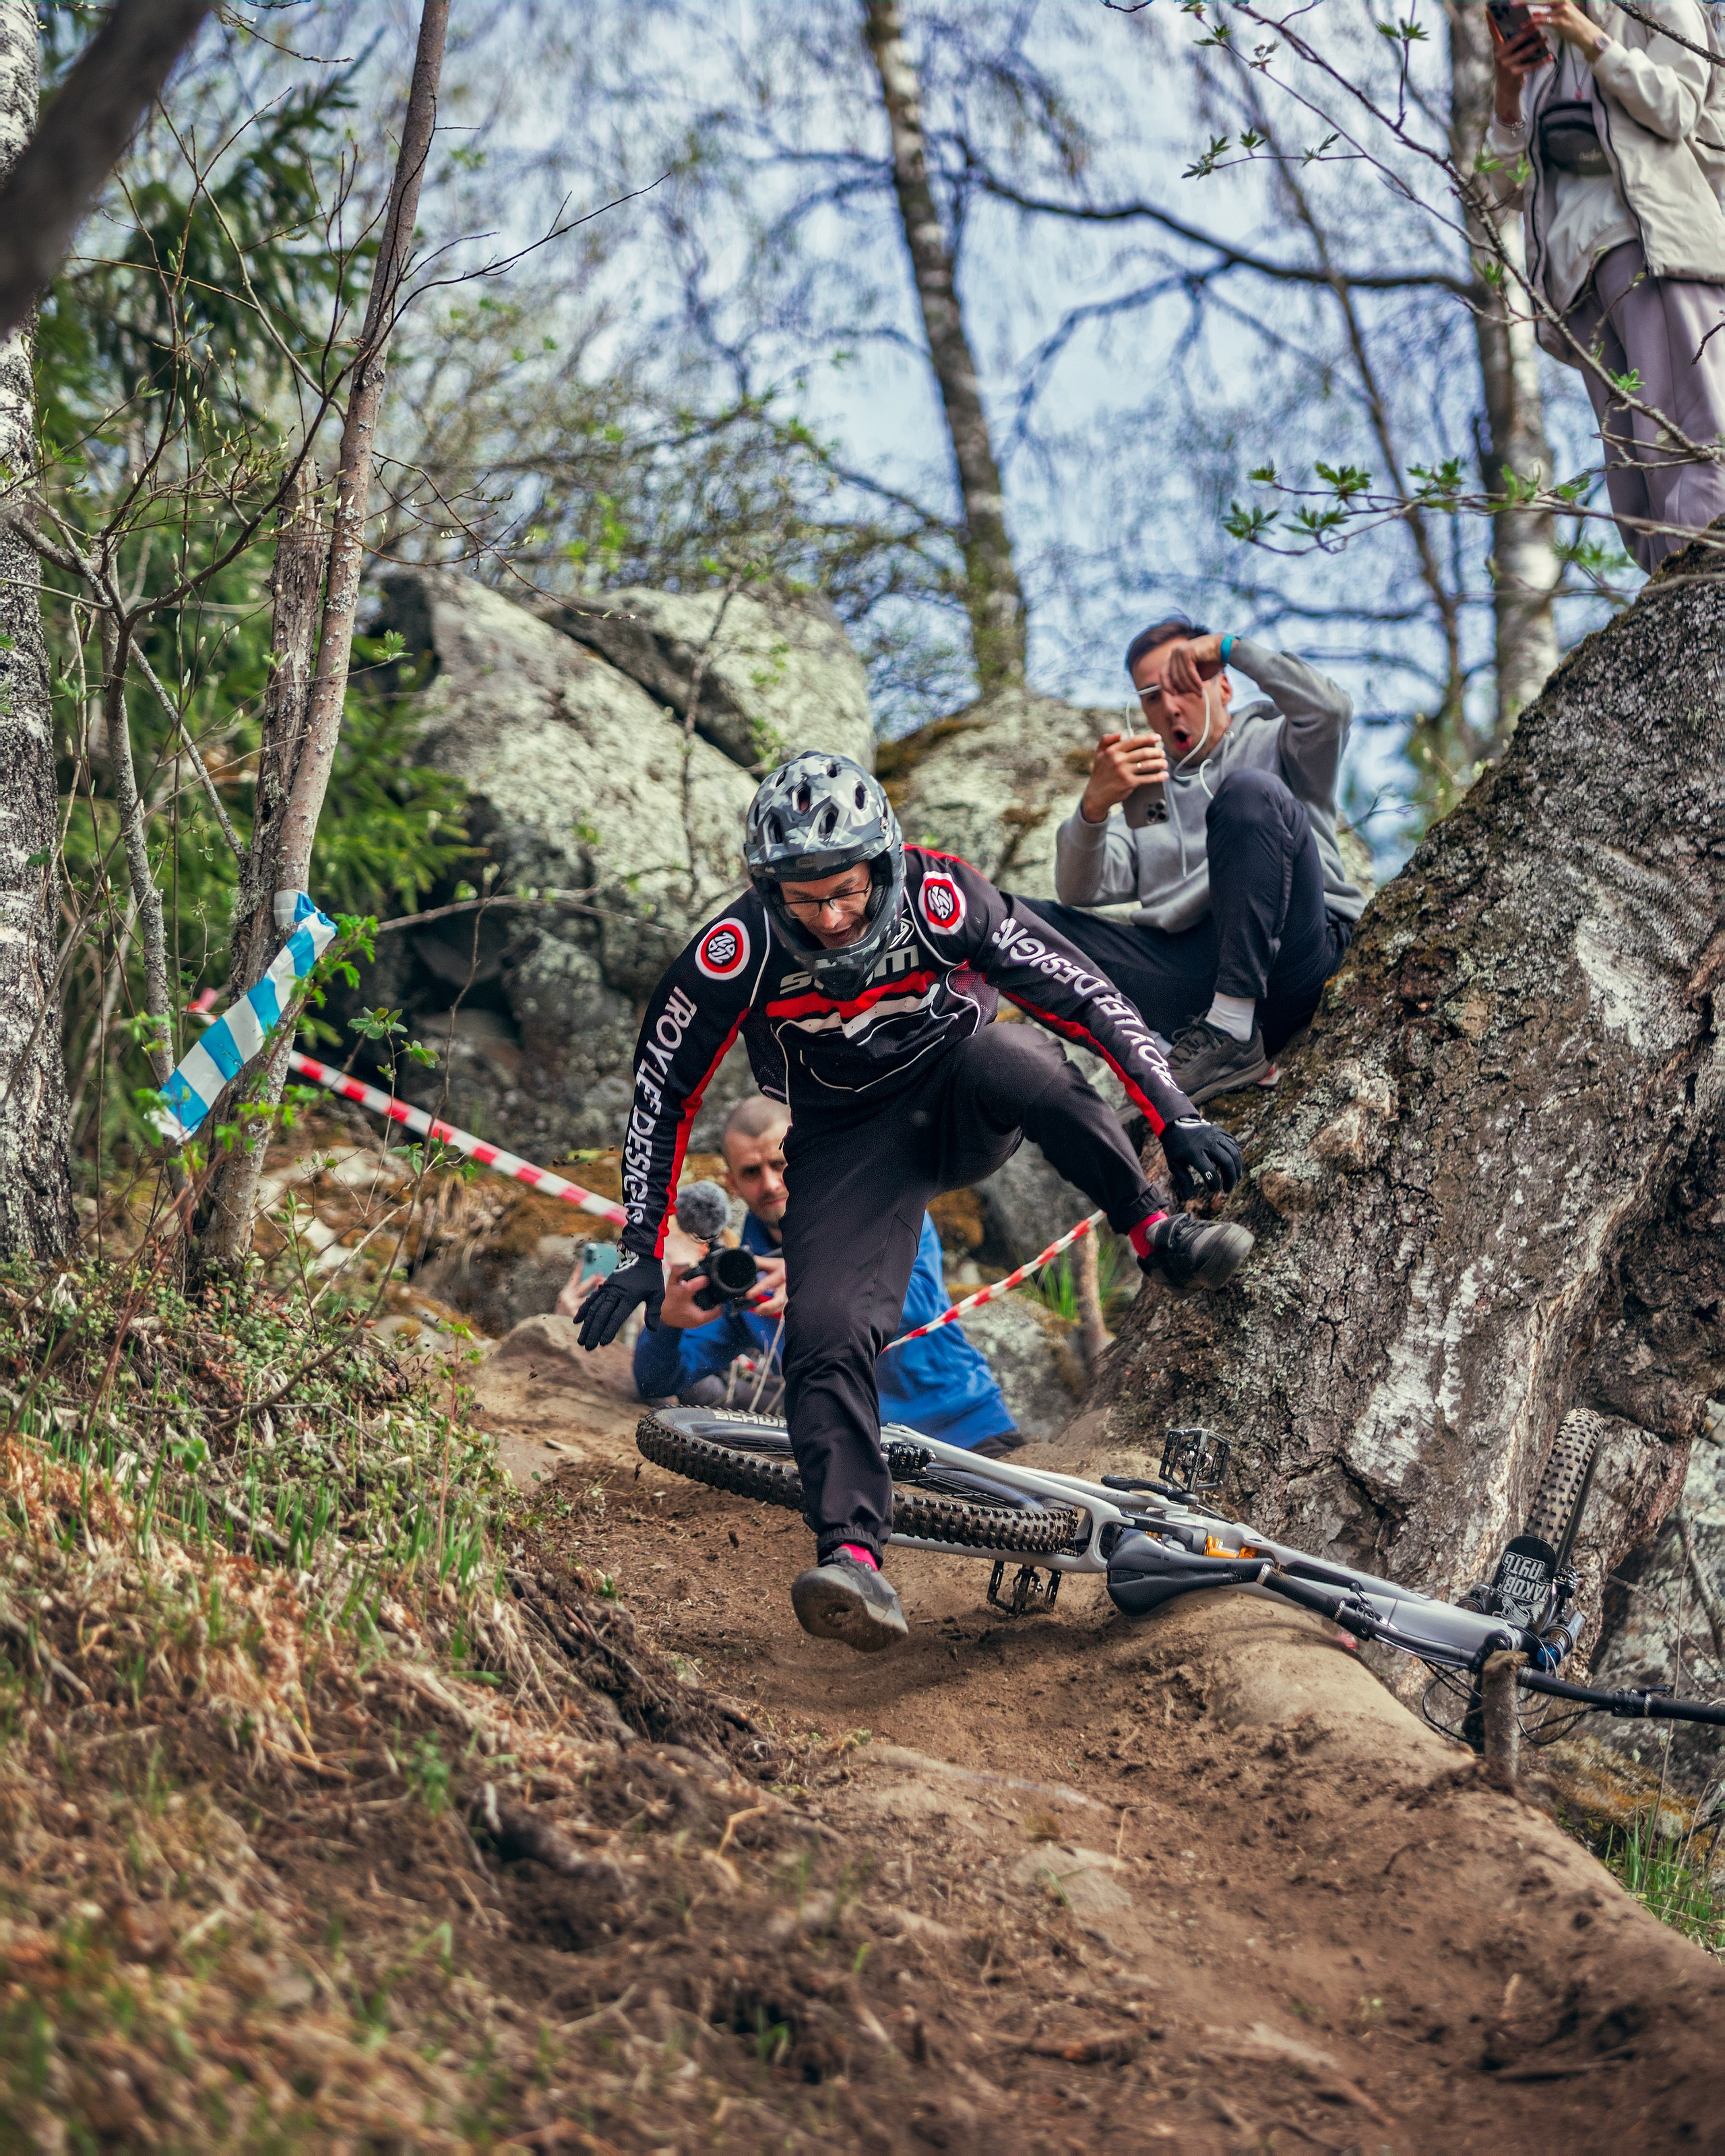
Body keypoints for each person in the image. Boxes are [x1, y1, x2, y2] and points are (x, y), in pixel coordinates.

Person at [577, 749, 1252, 1654]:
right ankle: (855, 1557)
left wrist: (1174, 1115)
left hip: (958, 1099)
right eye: (804, 900)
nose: (830, 917)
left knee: (1021, 1055)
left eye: (847, 891)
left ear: (885, 864)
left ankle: (1155, 1233)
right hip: (847, 1148)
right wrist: (636, 1248)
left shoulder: (945, 898)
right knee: (824, 1331)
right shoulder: (734, 952)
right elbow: (662, 1095)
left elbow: (1084, 996)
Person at [1020, 617, 1364, 1106]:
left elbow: (1332, 710)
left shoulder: (1279, 740)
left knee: (1250, 792)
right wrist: (1093, 806)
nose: (1170, 707)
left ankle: (1233, 1028)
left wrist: (1230, 647)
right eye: (1152, 696)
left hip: (1294, 954)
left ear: (1222, 686)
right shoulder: (1148, 791)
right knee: (1013, 923)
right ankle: (1155, 1052)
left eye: (1182, 685)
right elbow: (1079, 889)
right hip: (1194, 976)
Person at [633, 1093, 1024, 1457]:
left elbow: (919, 1304)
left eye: (780, 1163)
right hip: (859, 1460)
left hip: (970, 1432)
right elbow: (658, 1381)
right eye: (752, 1172)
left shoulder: (885, 1203)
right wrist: (666, 1323)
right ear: (731, 1183)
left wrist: (816, 1279)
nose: (770, 1184)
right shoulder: (742, 1275)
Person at [1487, 1, 1725, 572]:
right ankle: (1667, 590)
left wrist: (1594, 41)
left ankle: (1708, 577)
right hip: (1577, 278)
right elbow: (1507, 186)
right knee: (1635, 475)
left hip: (1654, 244)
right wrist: (1507, 91)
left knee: (1690, 441)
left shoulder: (1649, 6)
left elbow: (1677, 107)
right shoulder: (1547, 44)